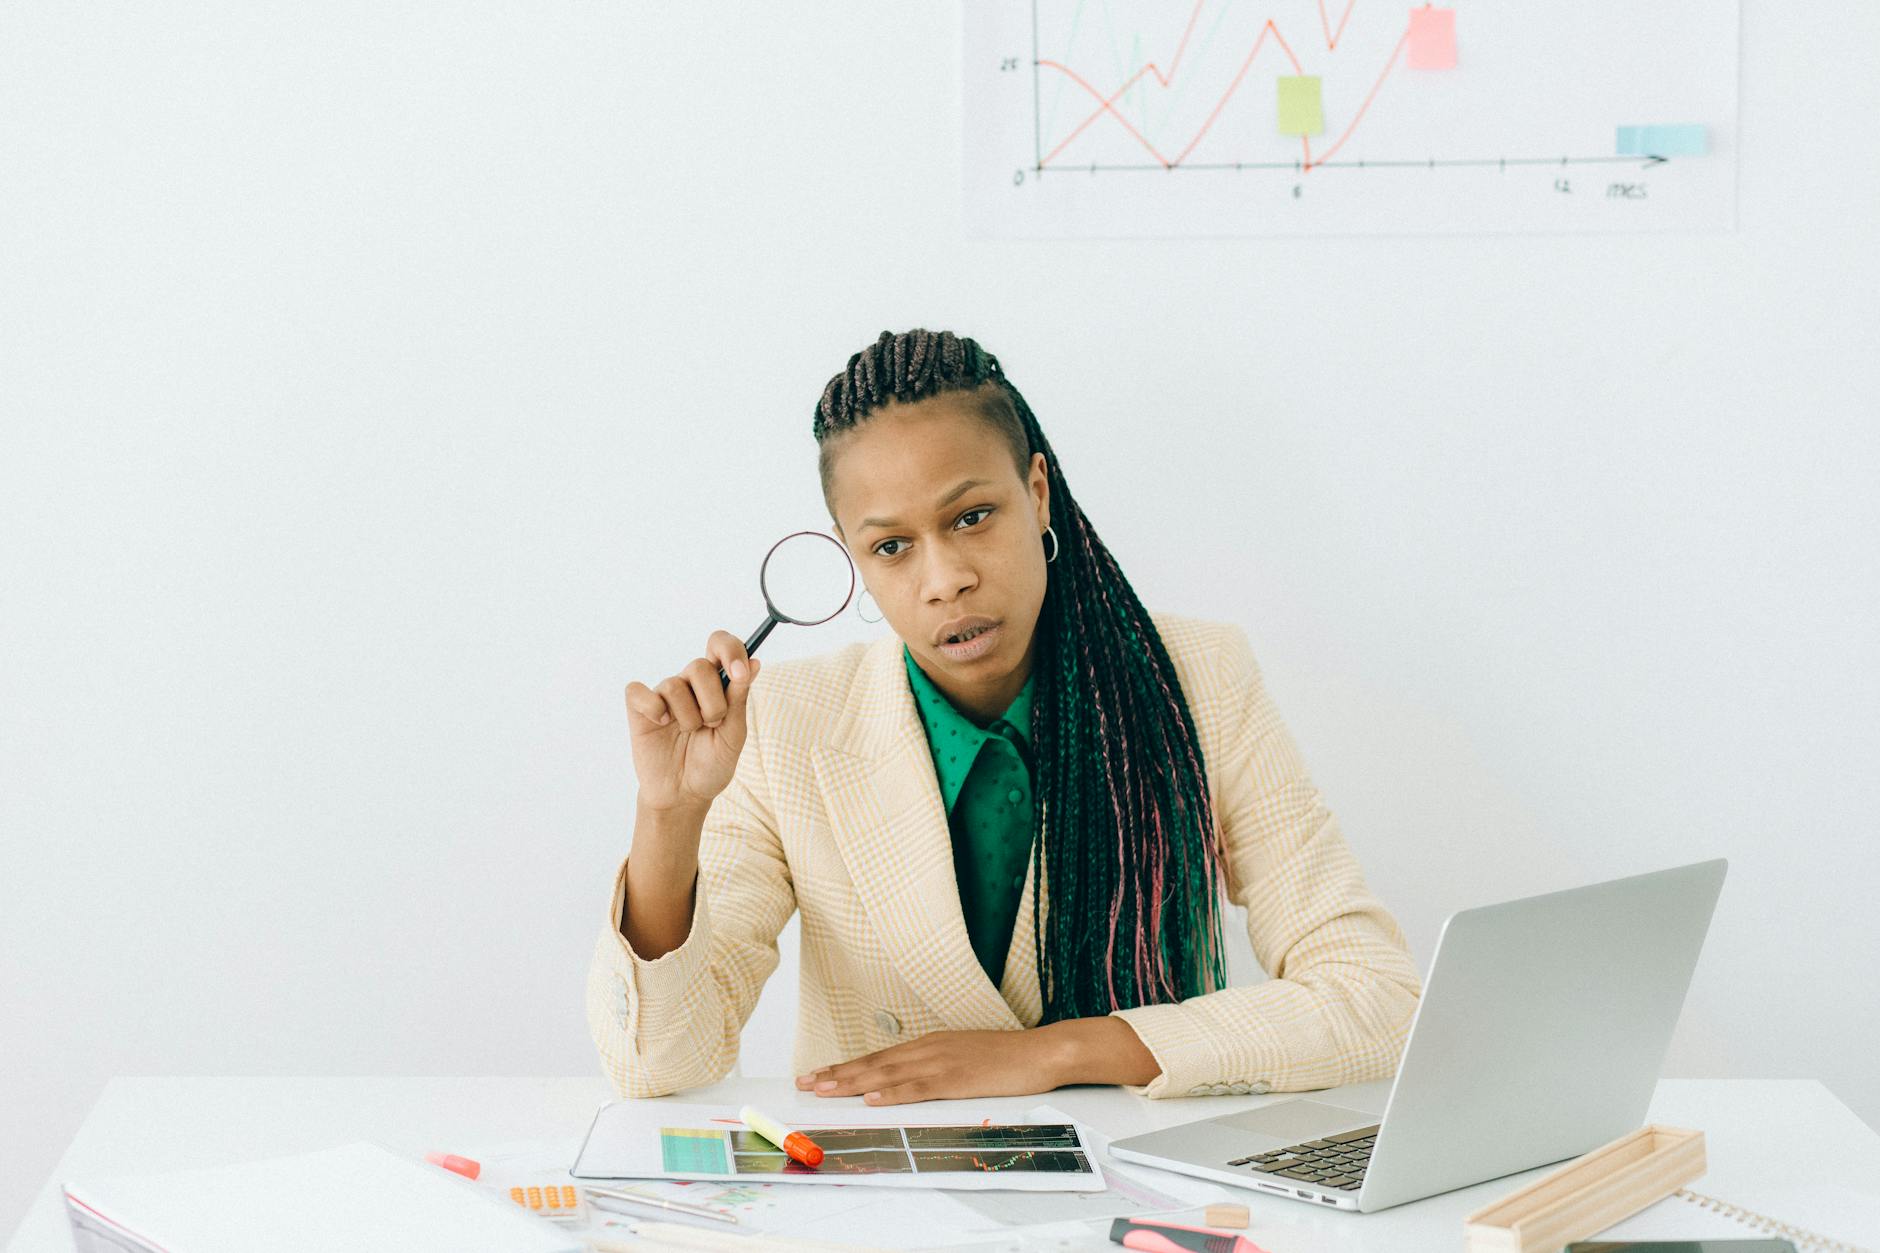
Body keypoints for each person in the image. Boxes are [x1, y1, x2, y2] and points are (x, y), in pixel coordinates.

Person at [588, 329, 1420, 1105]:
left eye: (972, 517)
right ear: (855, 560)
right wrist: (670, 812)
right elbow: (659, 1063)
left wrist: (1056, 1052)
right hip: (889, 1200)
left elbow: (1376, 997)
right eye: (892, 546)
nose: (945, 578)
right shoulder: (786, 726)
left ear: (1037, 490)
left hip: (1143, 1196)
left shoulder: (1197, 677)